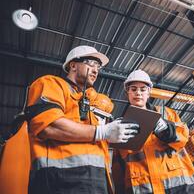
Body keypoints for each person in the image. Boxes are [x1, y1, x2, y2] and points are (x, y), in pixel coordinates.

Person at [26, 45, 139, 194]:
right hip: (59, 181)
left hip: (99, 182)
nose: (95, 70)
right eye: (91, 63)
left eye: (98, 66)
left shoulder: (97, 101)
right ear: (73, 65)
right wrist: (101, 132)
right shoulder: (51, 85)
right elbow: (49, 126)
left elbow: (103, 137)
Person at [113, 69, 194, 193]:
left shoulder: (167, 114)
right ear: (127, 92)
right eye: (133, 89)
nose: (138, 93)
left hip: (181, 189)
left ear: (149, 92)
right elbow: (118, 169)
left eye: (143, 89)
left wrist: (166, 129)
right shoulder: (120, 127)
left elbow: (183, 138)